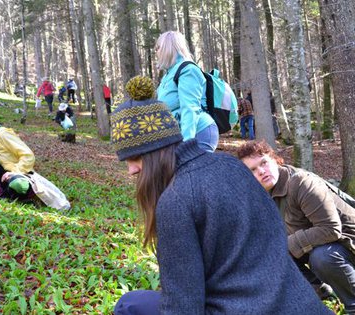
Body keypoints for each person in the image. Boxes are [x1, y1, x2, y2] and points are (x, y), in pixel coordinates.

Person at [111, 76, 331, 315]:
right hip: (300, 304)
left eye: (134, 158)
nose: (131, 169)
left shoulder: (176, 200)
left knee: (129, 305)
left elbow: (183, 308)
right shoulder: (231, 164)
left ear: (154, 153)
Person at [237, 140, 355, 312]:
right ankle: (319, 299)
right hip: (317, 246)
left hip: (347, 243)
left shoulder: (301, 183)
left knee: (322, 257)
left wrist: (283, 245)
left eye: (264, 163)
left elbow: (330, 229)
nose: (261, 171)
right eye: (253, 170)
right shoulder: (258, 198)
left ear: (276, 161)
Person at [155, 31, 218, 152]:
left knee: (194, 170)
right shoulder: (168, 74)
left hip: (199, 133)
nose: (156, 52)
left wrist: (186, 145)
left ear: (168, 48)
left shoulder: (188, 70)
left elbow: (190, 108)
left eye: (158, 48)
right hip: (178, 137)